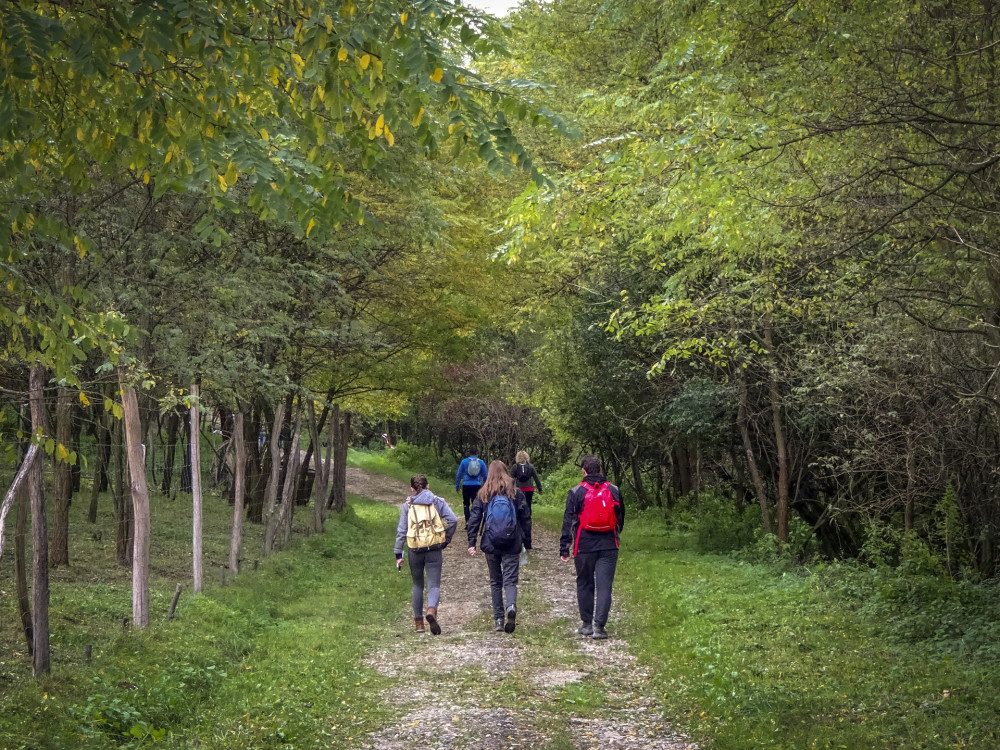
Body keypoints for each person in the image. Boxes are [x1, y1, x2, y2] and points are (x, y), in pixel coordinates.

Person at [559, 454, 624, 640]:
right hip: (609, 544)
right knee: (605, 586)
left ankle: (587, 624)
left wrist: (564, 546)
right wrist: (616, 534)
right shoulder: (614, 490)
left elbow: (568, 521)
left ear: (583, 471)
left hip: (584, 544)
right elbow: (620, 517)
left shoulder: (576, 492)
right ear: (601, 470)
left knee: (585, 582)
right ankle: (599, 627)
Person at [467, 460, 531, 633]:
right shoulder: (515, 492)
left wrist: (471, 542)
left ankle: (498, 620)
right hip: (512, 543)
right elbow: (525, 518)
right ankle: (511, 606)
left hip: (491, 543)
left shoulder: (483, 493)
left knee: (495, 582)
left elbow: (474, 519)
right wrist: (527, 542)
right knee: (510, 581)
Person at [394, 474, 458, 635]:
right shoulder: (437, 501)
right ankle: (431, 610)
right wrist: (445, 539)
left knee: (417, 585)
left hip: (415, 549)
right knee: (434, 584)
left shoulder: (408, 505)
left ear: (412, 489)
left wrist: (398, 554)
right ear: (428, 486)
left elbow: (402, 531)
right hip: (434, 548)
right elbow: (453, 520)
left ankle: (419, 624)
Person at [455, 449, 488, 525]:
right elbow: (485, 476)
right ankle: (474, 521)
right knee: (475, 504)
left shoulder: (464, 461)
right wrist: (485, 486)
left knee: (466, 503)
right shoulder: (481, 462)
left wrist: (457, 486)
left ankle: (467, 521)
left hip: (466, 485)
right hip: (477, 485)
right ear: (477, 453)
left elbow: (459, 474)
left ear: (469, 453)